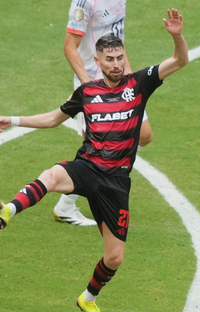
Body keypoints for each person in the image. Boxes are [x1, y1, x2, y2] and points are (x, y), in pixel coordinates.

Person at [0, 9, 188, 312]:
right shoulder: (86, 93)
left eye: (119, 57)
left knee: (114, 258)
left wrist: (176, 35)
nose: (116, 64)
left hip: (116, 184)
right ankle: (8, 210)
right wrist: (13, 120)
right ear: (97, 62)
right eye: (109, 59)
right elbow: (51, 119)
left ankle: (88, 298)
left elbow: (180, 60)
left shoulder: (139, 84)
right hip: (88, 167)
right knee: (53, 175)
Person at [56, 0, 154, 226]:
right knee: (98, 147)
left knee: (145, 135)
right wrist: (87, 88)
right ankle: (67, 204)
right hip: (95, 83)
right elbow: (70, 47)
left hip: (118, 79)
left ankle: (68, 202)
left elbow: (116, 39)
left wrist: (129, 77)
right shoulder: (85, 2)